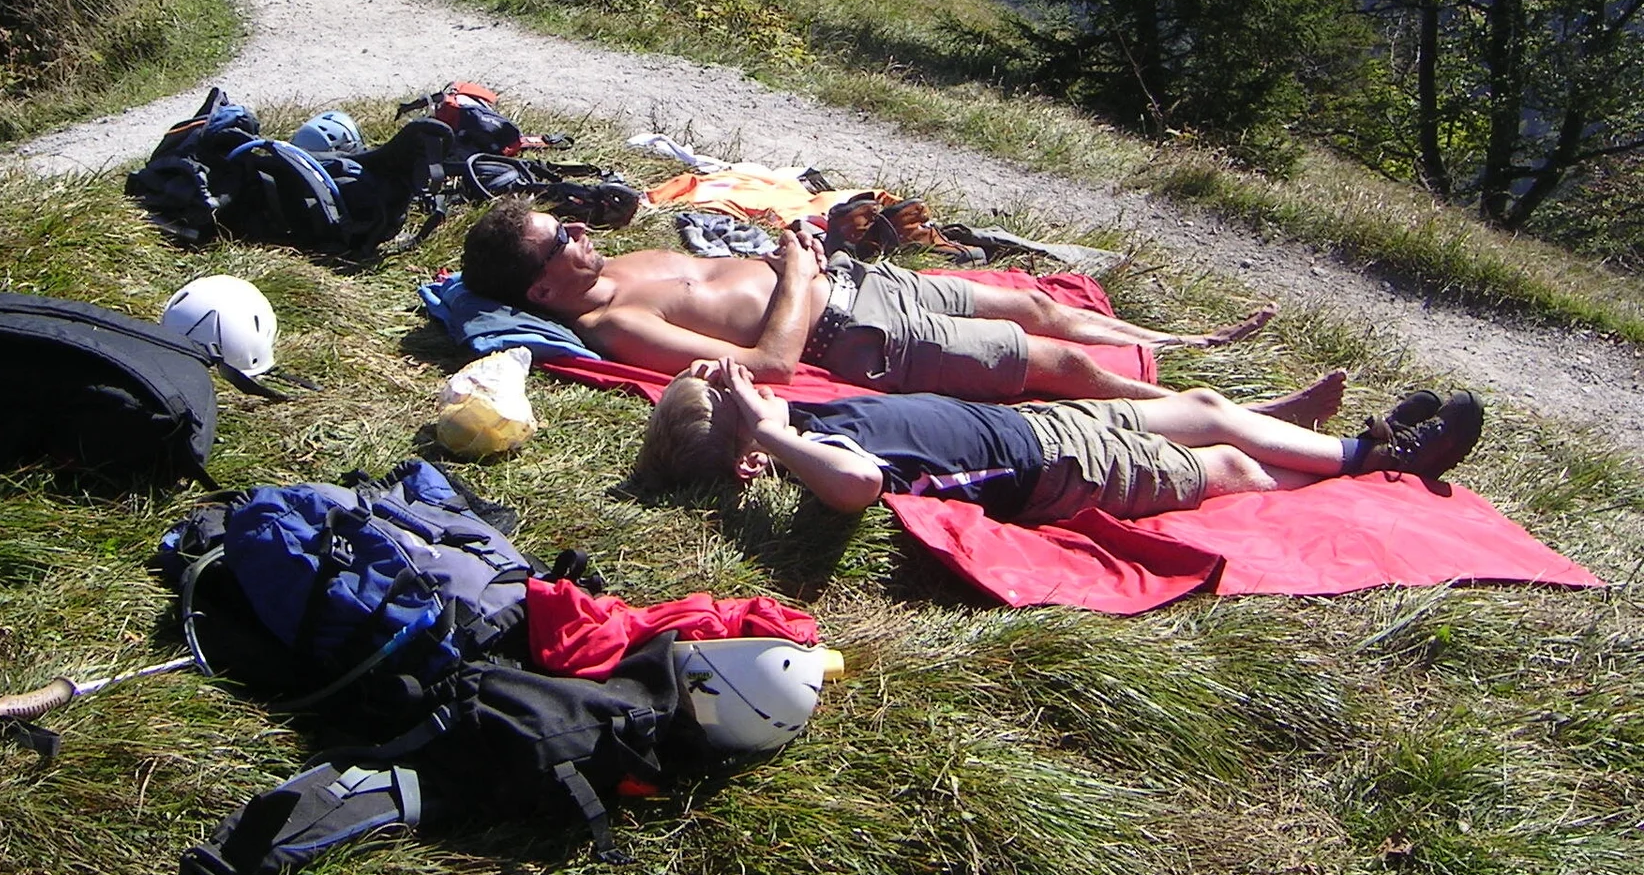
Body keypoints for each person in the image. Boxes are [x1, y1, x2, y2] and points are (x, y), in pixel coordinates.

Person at [460, 201, 1284, 406]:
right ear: (541, 289)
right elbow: (771, 366)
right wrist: (797, 278)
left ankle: (1185, 339)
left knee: (1033, 303)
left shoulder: (626, 260)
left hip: (853, 284)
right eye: (560, 235)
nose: (578, 229)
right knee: (1056, 362)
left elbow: (722, 278)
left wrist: (798, 250)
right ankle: (1204, 404)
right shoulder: (612, 325)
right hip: (848, 332)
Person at [635, 358, 1485, 522]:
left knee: (1209, 406)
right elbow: (858, 490)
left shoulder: (805, 422)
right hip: (1054, 468)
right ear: (752, 456)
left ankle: (1345, 450)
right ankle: (1373, 472)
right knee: (1225, 467)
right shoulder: (810, 461)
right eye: (733, 405)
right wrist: (778, 438)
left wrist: (751, 401)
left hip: (1037, 425)